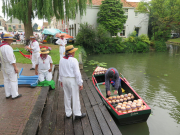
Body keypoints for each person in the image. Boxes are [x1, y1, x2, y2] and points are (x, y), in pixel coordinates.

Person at [59, 45, 86, 120]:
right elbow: (77, 73)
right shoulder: (74, 60)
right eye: (74, 51)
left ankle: (68, 113)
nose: (74, 52)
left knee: (67, 96)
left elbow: (60, 71)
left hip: (64, 79)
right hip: (72, 80)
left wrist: (61, 80)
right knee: (75, 97)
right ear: (72, 52)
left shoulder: (61, 60)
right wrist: (80, 83)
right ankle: (77, 114)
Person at [0, 34, 22, 99]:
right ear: (8, 40)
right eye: (11, 40)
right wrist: (15, 67)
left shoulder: (1, 47)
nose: (12, 41)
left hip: (3, 65)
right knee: (13, 79)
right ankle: (14, 94)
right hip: (9, 65)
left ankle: (8, 94)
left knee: (6, 80)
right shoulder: (7, 47)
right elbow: (11, 59)